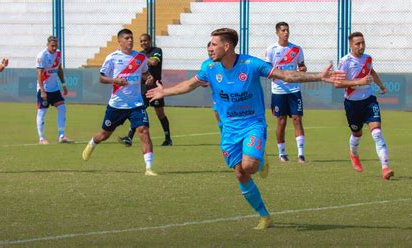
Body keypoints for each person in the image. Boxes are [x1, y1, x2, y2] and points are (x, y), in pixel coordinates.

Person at [146, 28, 346, 229]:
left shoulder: (251, 64)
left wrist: (319, 76)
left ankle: (259, 160)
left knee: (249, 166)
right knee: (240, 173)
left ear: (227, 46)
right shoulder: (209, 67)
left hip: (253, 123)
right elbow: (190, 84)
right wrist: (165, 92)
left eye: (214, 44)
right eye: (210, 44)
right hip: (229, 129)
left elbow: (285, 75)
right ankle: (265, 216)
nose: (210, 48)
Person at [82, 29, 158, 176]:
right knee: (105, 134)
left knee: (144, 131)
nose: (130, 40)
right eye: (127, 38)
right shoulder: (112, 58)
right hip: (117, 104)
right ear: (120, 41)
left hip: (136, 104)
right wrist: (115, 80)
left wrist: (149, 78)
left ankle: (148, 168)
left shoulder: (140, 57)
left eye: (131, 38)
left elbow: (145, 73)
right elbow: (102, 78)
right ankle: (92, 143)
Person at [334, 32, 394, 180]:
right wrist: (358, 82)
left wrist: (381, 86)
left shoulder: (368, 59)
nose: (361, 46)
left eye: (362, 43)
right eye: (357, 44)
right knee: (357, 134)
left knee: (377, 133)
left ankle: (385, 168)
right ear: (350, 46)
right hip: (352, 105)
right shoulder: (345, 61)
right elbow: (337, 83)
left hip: (369, 101)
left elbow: (371, 71)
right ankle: (354, 155)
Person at [118, 33, 172, 147]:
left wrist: (140, 59)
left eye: (145, 41)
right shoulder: (140, 54)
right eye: (141, 41)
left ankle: (168, 138)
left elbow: (154, 62)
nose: (143, 43)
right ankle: (129, 137)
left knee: (160, 114)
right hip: (142, 87)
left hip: (156, 87)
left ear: (150, 41)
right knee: (138, 110)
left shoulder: (157, 51)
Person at [266, 22, 307, 163]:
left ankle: (301, 155)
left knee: (297, 119)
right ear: (277, 32)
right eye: (283, 30)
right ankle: (282, 153)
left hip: (294, 90)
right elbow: (268, 71)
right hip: (278, 90)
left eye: (287, 30)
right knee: (281, 121)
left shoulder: (296, 49)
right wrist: (281, 75)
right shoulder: (271, 49)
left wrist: (302, 70)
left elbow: (302, 66)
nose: (286, 33)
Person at [36, 36, 73, 144]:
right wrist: (42, 90)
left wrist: (64, 84)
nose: (54, 48)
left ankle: (61, 136)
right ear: (47, 45)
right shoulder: (42, 56)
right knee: (42, 112)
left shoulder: (58, 53)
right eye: (52, 46)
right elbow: (39, 74)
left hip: (55, 89)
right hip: (45, 89)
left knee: (62, 108)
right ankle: (41, 138)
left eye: (55, 46)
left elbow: (59, 69)